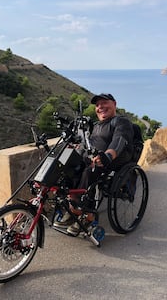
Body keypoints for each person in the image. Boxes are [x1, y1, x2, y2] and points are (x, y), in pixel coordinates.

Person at [54, 93, 135, 235]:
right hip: (92, 158)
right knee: (67, 168)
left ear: (114, 104)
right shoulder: (96, 126)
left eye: (104, 103)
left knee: (89, 171)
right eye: (97, 105)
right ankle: (73, 207)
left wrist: (108, 156)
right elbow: (86, 144)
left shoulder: (120, 122)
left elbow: (119, 140)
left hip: (112, 160)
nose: (100, 107)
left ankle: (87, 216)